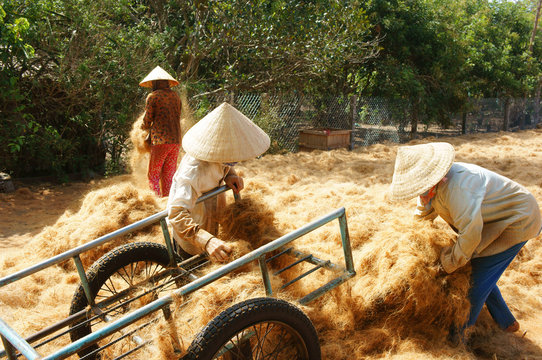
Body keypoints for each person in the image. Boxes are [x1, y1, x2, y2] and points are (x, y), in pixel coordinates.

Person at [390, 142, 541, 335]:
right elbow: (421, 215)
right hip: (489, 221)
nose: (420, 195)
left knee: (474, 281)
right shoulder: (430, 187)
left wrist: (446, 265)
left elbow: (470, 236)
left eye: (421, 189)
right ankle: (506, 321)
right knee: (479, 270)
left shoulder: (458, 189)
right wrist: (407, 243)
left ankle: (458, 336)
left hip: (518, 220)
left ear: (432, 179)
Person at [166, 102, 270, 262]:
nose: (236, 159)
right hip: (192, 235)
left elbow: (223, 164)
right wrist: (206, 241)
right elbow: (176, 213)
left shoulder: (219, 155)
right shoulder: (193, 171)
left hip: (212, 223)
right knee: (190, 271)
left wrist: (230, 175)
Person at [139, 66, 182, 197]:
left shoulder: (153, 96)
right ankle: (168, 205)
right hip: (175, 141)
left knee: (153, 175)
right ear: (168, 83)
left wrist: (143, 127)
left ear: (156, 83)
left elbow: (148, 118)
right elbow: (178, 115)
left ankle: (155, 206)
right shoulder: (176, 96)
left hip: (160, 141)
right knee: (169, 175)